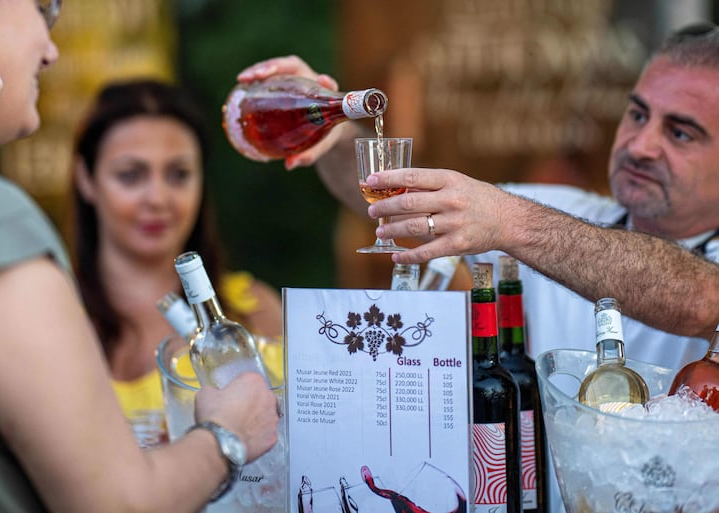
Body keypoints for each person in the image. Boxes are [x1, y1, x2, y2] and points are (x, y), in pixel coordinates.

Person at [237, 24, 719, 513]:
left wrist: (512, 221)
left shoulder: (549, 219)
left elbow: (703, 298)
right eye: (638, 114)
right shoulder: (572, 210)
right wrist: (329, 130)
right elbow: (399, 201)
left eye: (680, 132)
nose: (641, 144)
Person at [0, 2, 278, 511]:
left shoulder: (252, 305)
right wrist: (226, 436)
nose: (51, 50)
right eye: (45, 9)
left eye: (178, 174)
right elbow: (116, 502)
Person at [69, 78, 284, 442]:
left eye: (178, 175)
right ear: (86, 179)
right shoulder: (55, 315)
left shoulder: (254, 311)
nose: (158, 198)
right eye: (130, 175)